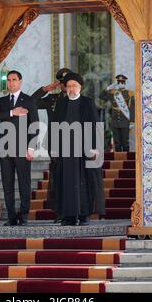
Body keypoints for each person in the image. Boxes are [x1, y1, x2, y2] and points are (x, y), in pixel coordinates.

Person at [53, 72, 105, 226]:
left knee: (84, 182)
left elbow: (95, 125)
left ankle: (83, 215)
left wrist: (95, 148)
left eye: (74, 86)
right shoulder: (61, 103)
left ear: (80, 87)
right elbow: (54, 126)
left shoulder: (87, 102)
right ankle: (69, 216)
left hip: (84, 149)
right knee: (66, 182)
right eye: (68, 86)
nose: (71, 89)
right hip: (65, 150)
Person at [0, 70, 39, 226]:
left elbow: (35, 126)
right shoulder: (2, 101)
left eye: (14, 80)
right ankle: (11, 217)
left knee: (24, 183)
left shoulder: (29, 101)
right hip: (5, 148)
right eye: (9, 80)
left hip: (23, 149)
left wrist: (31, 148)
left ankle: (23, 217)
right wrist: (12, 112)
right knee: (7, 183)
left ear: (20, 81)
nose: (11, 83)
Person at [31, 68, 71, 222]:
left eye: (68, 83)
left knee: (73, 178)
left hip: (75, 142)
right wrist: (45, 90)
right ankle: (60, 212)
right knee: (58, 178)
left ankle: (76, 211)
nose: (65, 86)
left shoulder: (79, 99)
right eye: (62, 84)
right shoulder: (52, 99)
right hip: (55, 143)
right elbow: (31, 102)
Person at [99, 74, 135, 152]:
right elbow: (101, 97)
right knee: (117, 143)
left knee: (125, 142)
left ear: (125, 83)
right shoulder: (113, 93)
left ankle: (126, 160)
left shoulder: (130, 93)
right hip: (115, 121)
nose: (120, 84)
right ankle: (118, 159)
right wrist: (108, 88)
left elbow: (132, 108)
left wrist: (132, 122)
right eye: (118, 82)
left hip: (125, 120)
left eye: (122, 82)